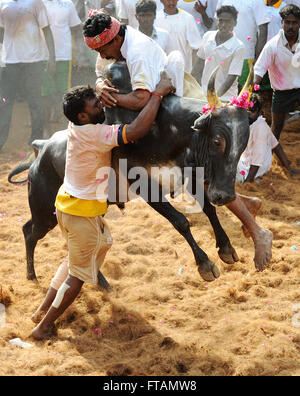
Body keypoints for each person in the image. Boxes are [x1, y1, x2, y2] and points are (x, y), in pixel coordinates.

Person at [30, 73, 175, 340]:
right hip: (82, 214)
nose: (102, 107)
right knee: (77, 275)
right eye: (96, 106)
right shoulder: (97, 134)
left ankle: (41, 310)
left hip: (69, 207)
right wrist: (157, 95)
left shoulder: (76, 125)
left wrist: (101, 89)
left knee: (84, 254)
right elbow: (136, 130)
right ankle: (44, 326)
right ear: (83, 116)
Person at [84, 11, 183, 110]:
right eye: (98, 51)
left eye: (102, 51)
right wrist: (99, 85)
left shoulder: (137, 52)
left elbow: (140, 100)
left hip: (163, 104)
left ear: (117, 39)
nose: (102, 56)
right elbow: (100, 74)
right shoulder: (112, 40)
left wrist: (108, 96)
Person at [0, 0, 56, 151]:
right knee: (5, 102)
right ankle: (1, 139)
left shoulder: (35, 2)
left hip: (34, 60)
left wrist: (52, 59)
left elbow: (47, 30)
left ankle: (35, 138)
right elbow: (1, 30)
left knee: (35, 101)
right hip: (10, 61)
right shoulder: (2, 3)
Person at [254, 4, 300, 151]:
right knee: (276, 129)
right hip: (282, 93)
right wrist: (253, 91)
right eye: (287, 22)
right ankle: (266, 162)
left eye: (294, 22)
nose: (290, 26)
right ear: (282, 23)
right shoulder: (272, 46)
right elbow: (259, 70)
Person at [237, 94, 297, 182]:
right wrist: (289, 168)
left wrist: (248, 180)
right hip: (250, 164)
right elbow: (277, 147)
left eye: (252, 111)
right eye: (246, 111)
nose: (248, 114)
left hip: (250, 170)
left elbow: (257, 158)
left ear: (259, 112)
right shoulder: (254, 123)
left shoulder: (260, 128)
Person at [192, 5, 245, 102]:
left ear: (235, 23)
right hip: (204, 96)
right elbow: (198, 66)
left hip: (226, 99)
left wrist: (215, 97)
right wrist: (193, 90)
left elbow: (231, 78)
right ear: (217, 21)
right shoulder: (208, 36)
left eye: (228, 21)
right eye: (221, 21)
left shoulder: (239, 47)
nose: (224, 25)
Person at [42, 0, 82, 125]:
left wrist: (79, 54)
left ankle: (65, 124)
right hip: (42, 55)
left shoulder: (68, 4)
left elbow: (76, 29)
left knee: (64, 91)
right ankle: (45, 124)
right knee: (45, 93)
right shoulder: (37, 3)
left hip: (64, 55)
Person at [215, 0, 270, 87]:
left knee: (243, 95)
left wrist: (258, 60)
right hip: (222, 57)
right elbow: (217, 23)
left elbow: (263, 29)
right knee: (219, 93)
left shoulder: (257, 1)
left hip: (246, 58)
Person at [155, 0, 202, 73]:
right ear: (161, 1)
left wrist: (194, 72)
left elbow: (196, 48)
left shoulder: (187, 18)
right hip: (161, 71)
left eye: (174, 0)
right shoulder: (155, 18)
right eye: (167, 0)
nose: (171, 3)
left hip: (184, 71)